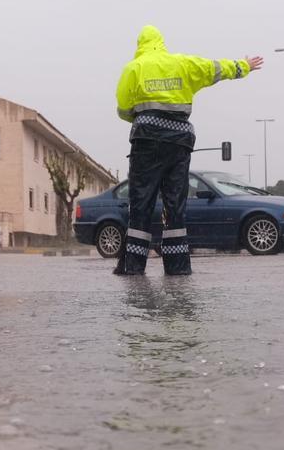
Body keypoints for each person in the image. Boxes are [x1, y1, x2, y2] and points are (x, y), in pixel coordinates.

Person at [113, 25, 263, 276]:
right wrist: (243, 66)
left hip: (146, 140)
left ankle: (133, 266)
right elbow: (215, 68)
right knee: (175, 203)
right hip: (179, 141)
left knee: (141, 202)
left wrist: (138, 118)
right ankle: (178, 267)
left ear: (139, 45)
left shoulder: (134, 68)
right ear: (161, 42)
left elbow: (123, 106)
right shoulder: (182, 63)